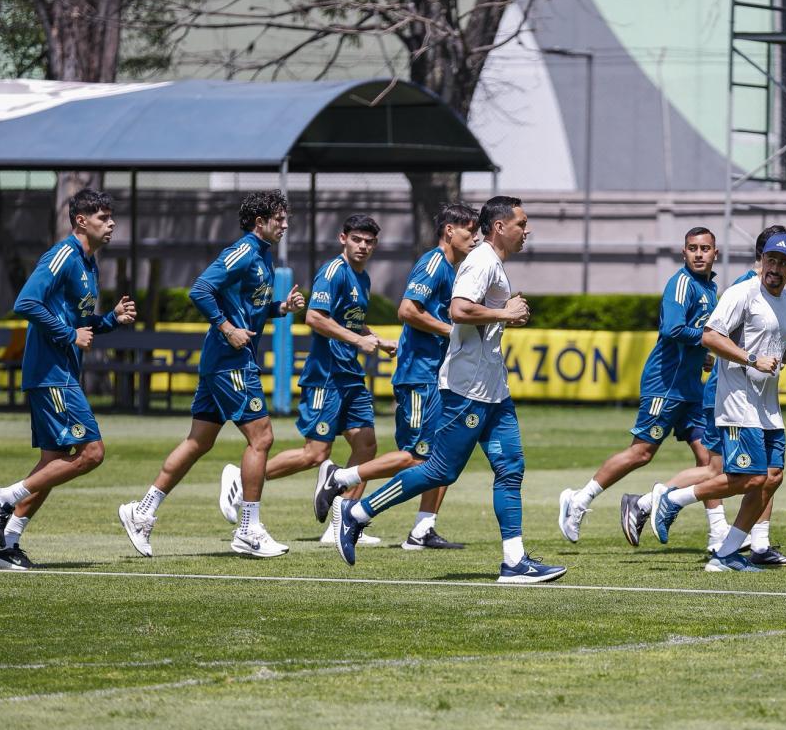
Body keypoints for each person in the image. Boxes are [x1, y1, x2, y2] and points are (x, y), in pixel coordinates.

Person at [335, 196, 565, 583]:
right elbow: (459, 310)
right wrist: (505, 312)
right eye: (522, 224)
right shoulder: (481, 261)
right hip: (467, 388)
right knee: (438, 469)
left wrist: (503, 314)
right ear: (500, 227)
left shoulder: (491, 262)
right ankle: (356, 513)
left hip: (493, 388)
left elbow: (475, 314)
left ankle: (514, 562)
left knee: (511, 468)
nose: (527, 231)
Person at [118, 190, 304, 558]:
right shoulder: (243, 250)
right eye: (279, 218)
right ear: (259, 222)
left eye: (286, 218)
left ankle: (142, 512)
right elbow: (200, 289)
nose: (285, 224)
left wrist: (282, 307)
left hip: (222, 362)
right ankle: (248, 529)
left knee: (198, 442)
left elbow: (250, 306)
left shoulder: (263, 255)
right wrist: (226, 328)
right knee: (262, 438)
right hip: (230, 362)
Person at [619, 225, 786, 566]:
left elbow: (781, 349)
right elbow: (709, 336)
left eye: (783, 262)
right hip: (735, 400)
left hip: (766, 406)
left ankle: (735, 550)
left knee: (769, 477)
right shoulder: (742, 291)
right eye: (771, 259)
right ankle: (663, 501)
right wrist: (750, 359)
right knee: (737, 474)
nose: (775, 267)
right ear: (761, 258)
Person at [0, 189, 136, 570]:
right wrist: (68, 335)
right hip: (51, 374)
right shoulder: (63, 255)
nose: (111, 223)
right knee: (92, 452)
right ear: (81, 221)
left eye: (111, 217)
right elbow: (26, 303)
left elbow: (79, 322)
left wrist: (111, 319)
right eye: (103, 217)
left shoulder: (89, 263)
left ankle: (4, 546)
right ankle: (0, 497)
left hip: (61, 373)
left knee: (54, 462)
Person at [216, 214, 396, 549]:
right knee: (315, 454)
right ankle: (241, 478)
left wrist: (377, 339)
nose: (363, 246)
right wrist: (358, 341)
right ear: (343, 238)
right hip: (325, 377)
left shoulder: (363, 277)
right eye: (357, 239)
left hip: (350, 376)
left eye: (369, 241)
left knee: (366, 445)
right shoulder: (333, 272)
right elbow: (314, 317)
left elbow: (351, 321)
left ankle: (343, 521)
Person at [309, 203, 480, 550]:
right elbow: (407, 310)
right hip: (418, 376)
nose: (475, 238)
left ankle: (422, 530)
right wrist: (452, 331)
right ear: (450, 231)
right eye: (469, 231)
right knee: (416, 456)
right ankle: (341, 477)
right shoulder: (433, 264)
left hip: (437, 375)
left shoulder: (451, 269)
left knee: (445, 454)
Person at [557, 228, 723, 547]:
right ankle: (578, 500)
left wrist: (702, 355)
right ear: (683, 253)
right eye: (692, 248)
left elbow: (692, 334)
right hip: (665, 386)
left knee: (710, 462)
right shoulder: (682, 283)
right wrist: (707, 341)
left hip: (690, 390)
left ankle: (718, 532)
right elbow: (672, 329)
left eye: (705, 248)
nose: (699, 254)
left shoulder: (710, 287)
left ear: (716, 253)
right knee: (641, 453)